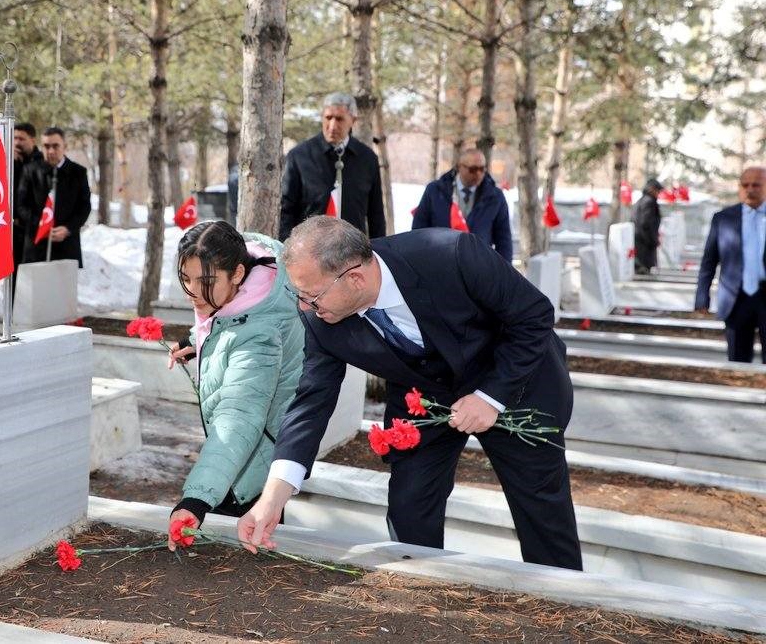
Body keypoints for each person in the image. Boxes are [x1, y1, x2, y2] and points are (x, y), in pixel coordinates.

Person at [237, 216, 582, 570]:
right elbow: (311, 401)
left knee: (540, 507)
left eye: (312, 296)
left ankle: (571, 602)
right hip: (424, 397)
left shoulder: (451, 254)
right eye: (299, 295)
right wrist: (273, 498)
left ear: (355, 277)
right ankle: (421, 590)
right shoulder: (320, 319)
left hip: (514, 380)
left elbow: (534, 316)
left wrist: (490, 396)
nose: (305, 308)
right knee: (410, 503)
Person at [164, 221, 304, 549]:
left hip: (250, 471)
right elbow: (227, 324)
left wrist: (195, 501)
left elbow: (239, 417)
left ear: (238, 274)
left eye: (207, 282)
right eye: (187, 279)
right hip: (240, 461)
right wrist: (197, 340)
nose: (195, 293)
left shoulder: (260, 335)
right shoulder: (253, 276)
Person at [279, 92, 385, 241]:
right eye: (328, 118)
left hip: (352, 250)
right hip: (310, 249)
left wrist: (379, 251)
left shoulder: (368, 159)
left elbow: (376, 214)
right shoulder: (299, 156)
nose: (332, 126)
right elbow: (286, 210)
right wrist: (286, 249)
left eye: (340, 119)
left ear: (353, 120)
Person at [695, 167, 766, 362]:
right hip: (736, 299)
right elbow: (709, 261)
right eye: (745, 185)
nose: (750, 189)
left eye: (756, 185)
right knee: (738, 359)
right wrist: (702, 296)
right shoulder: (723, 218)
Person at [411, 148, 513, 262]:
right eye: (473, 169)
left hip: (478, 266)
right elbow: (418, 231)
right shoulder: (435, 191)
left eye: (482, 169)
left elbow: (504, 241)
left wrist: (504, 273)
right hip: (440, 263)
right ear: (460, 167)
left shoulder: (495, 197)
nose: (478, 174)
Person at [18, 127, 91, 266]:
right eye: (46, 146)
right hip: (36, 247)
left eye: (55, 146)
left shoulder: (78, 173)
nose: (51, 151)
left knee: (63, 287)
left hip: (66, 247)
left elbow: (84, 207)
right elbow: (22, 206)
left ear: (65, 147)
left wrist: (68, 228)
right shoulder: (30, 171)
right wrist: (40, 226)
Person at [12, 123, 44, 273]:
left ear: (32, 140)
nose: (17, 142)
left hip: (33, 231)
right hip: (13, 232)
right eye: (15, 138)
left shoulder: (42, 164)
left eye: (21, 139)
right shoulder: (11, 163)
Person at [633, 178, 663, 275]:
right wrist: (653, 239)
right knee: (643, 272)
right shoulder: (649, 202)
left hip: (641, 243)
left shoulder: (643, 200)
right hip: (644, 245)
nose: (658, 193)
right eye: (657, 190)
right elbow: (646, 224)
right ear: (652, 189)